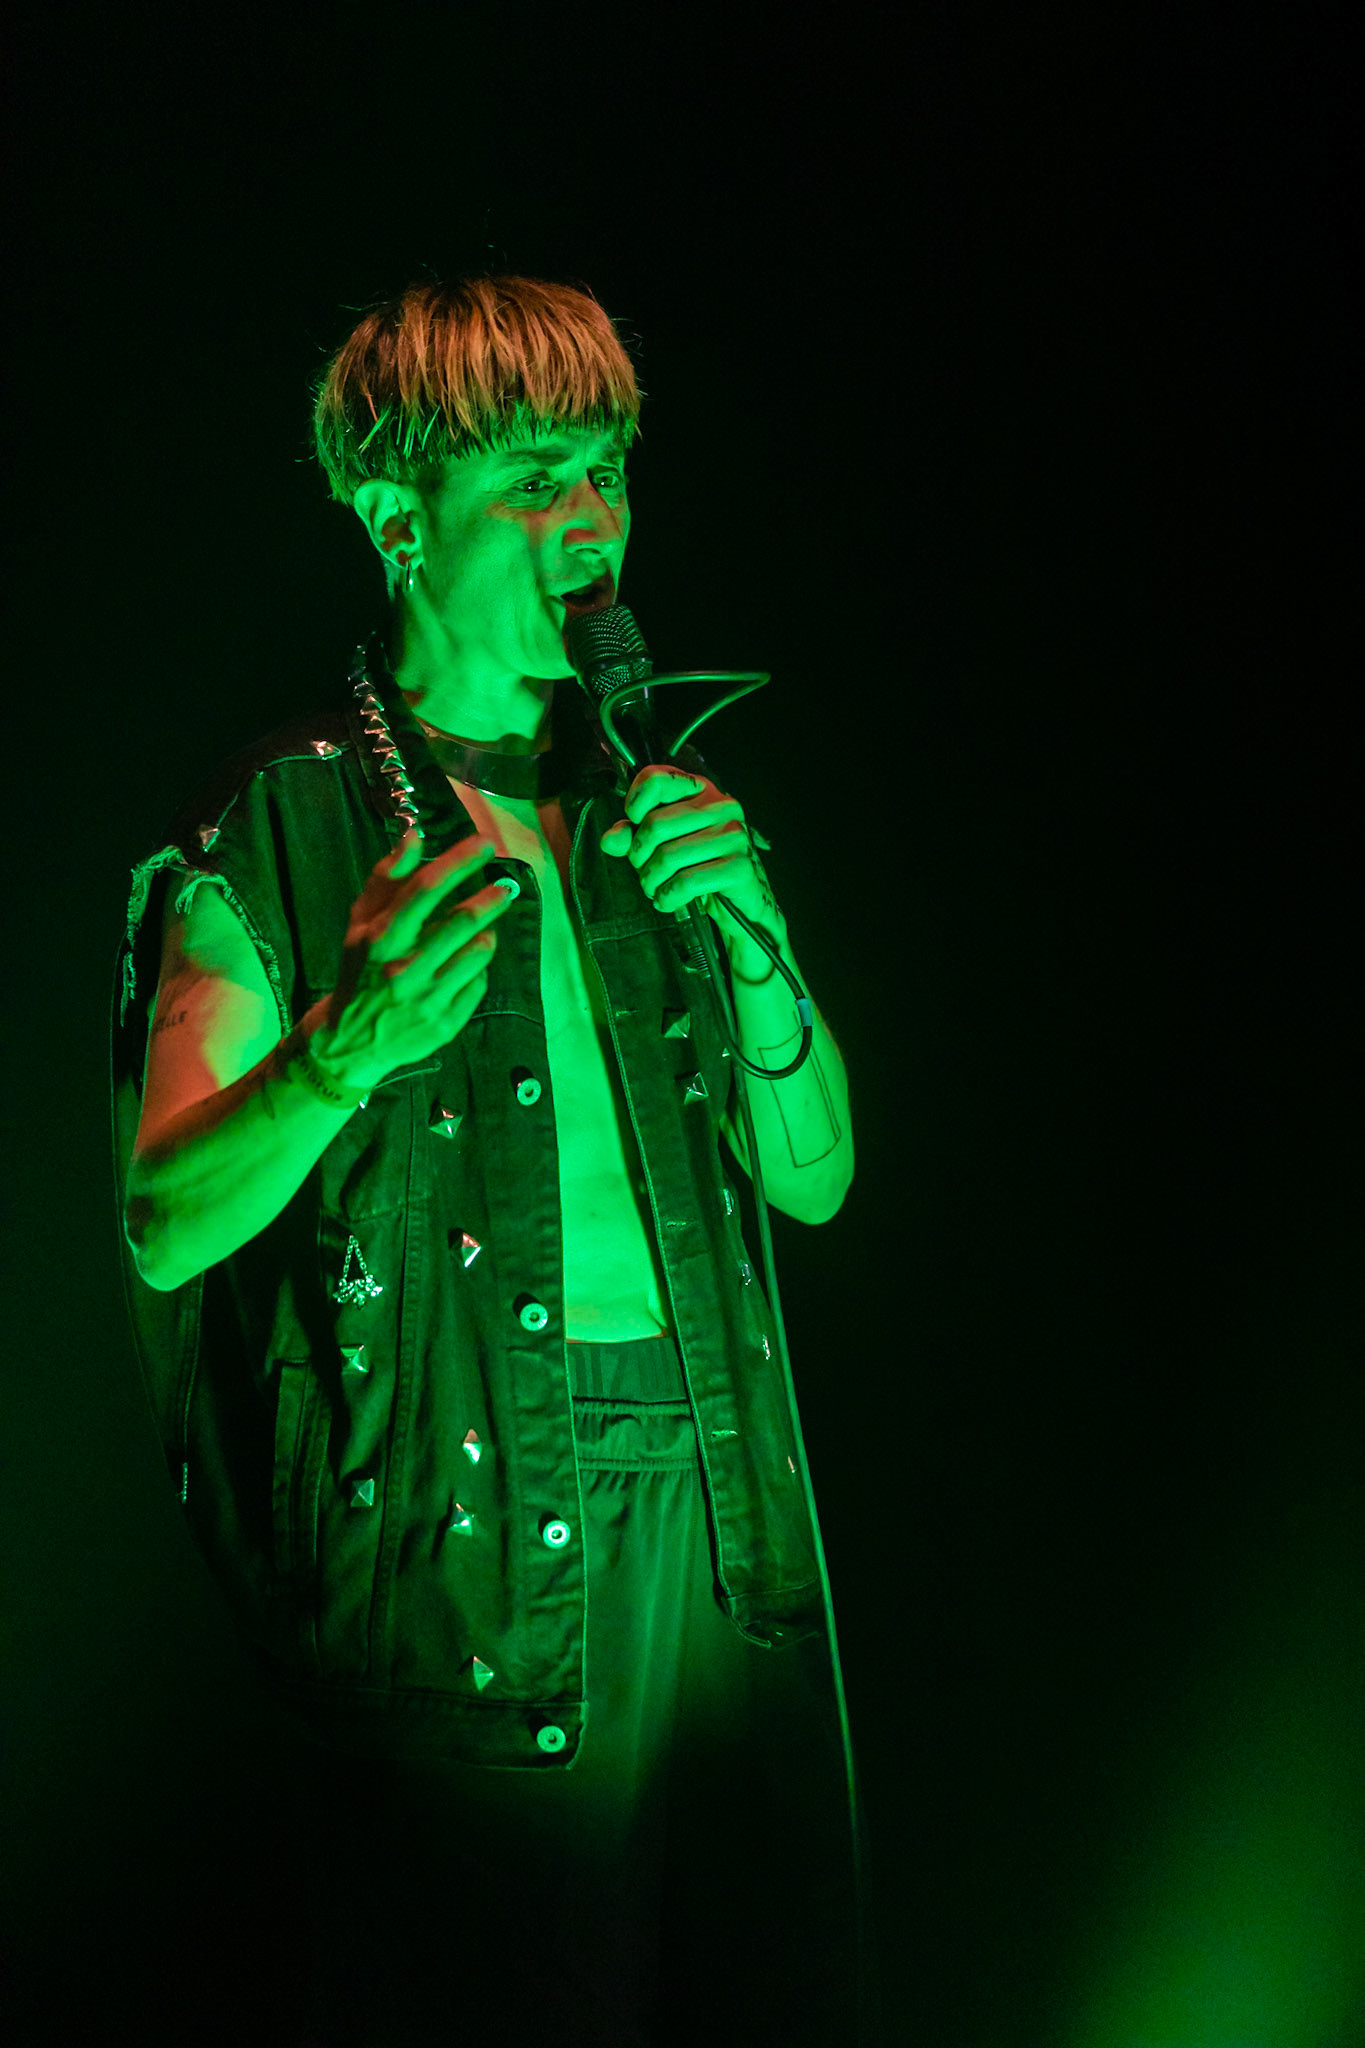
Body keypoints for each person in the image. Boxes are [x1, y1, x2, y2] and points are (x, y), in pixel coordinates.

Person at [111, 274, 878, 2045]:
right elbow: (162, 1221)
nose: (588, 522)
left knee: (756, 1981)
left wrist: (755, 927)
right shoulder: (290, 816)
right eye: (533, 480)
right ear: (397, 519)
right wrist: (340, 1048)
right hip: (466, 1546)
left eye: (605, 471)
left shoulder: (649, 808)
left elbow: (818, 1179)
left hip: (719, 1508)